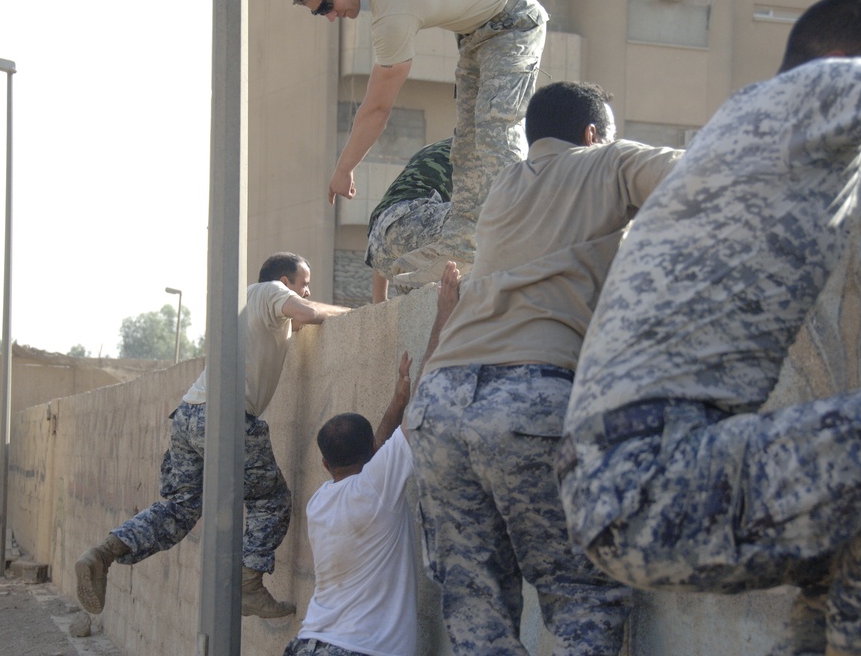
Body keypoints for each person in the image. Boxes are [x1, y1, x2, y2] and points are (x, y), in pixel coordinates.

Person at [557, 0, 861, 655]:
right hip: (653, 475)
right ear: (854, 64)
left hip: (620, 479)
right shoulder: (815, 89)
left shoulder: (746, 123)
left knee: (843, 542)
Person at [402, 81, 683, 655]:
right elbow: (707, 169)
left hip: (440, 401)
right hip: (529, 394)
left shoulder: (504, 187)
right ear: (591, 133)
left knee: (474, 600)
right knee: (583, 593)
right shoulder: (606, 159)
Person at [75, 253, 350, 619]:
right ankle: (249, 585)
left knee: (180, 507)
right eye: (304, 283)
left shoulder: (249, 307)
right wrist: (348, 312)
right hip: (226, 415)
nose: (308, 290)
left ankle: (103, 553)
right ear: (284, 282)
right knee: (272, 501)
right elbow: (309, 314)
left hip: (189, 413)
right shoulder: (269, 291)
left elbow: (293, 325)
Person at [292, 0, 548, 286]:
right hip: (475, 36)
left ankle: (522, 237)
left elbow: (377, 108)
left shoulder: (391, 15)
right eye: (320, 13)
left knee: (495, 131)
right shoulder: (386, 11)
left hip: (513, 22)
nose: (330, 16)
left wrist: (343, 169)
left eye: (326, 5)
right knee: (465, 149)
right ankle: (459, 251)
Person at [284, 264, 460, 656]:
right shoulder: (377, 486)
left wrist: (399, 399)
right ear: (372, 456)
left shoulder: (320, 503)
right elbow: (428, 392)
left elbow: (380, 446)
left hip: (309, 643)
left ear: (326, 466)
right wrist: (445, 310)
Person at [365, 137, 453, 303]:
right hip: (413, 221)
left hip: (378, 248)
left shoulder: (430, 149)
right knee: (495, 214)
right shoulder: (483, 148)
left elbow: (392, 231)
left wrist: (380, 302)